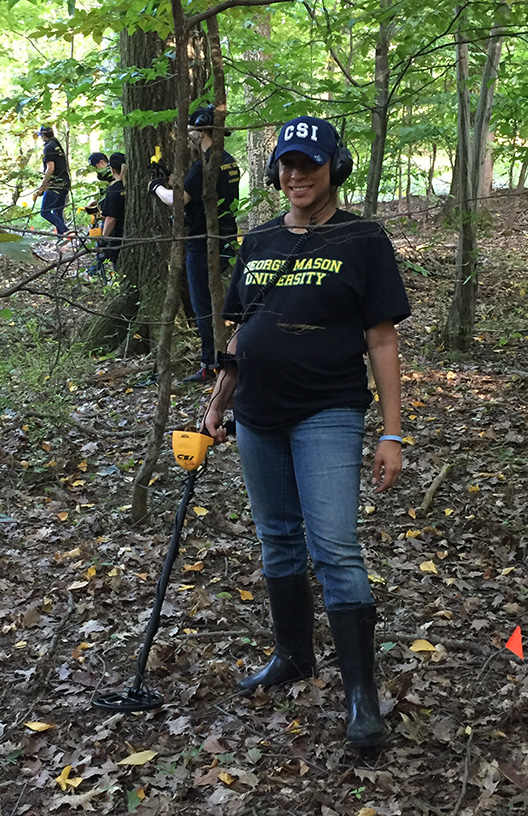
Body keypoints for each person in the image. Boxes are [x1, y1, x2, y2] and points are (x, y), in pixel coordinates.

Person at [205, 116, 411, 749]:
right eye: (288, 165)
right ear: (276, 172)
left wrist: (392, 432)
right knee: (277, 539)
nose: (298, 175)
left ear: (334, 168)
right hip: (258, 414)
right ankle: (293, 654)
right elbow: (243, 333)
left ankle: (361, 697)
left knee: (336, 547)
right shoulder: (261, 239)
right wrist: (217, 403)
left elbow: (381, 338)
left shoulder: (362, 238)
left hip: (328, 410)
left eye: (311, 165)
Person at [149, 105, 240, 383]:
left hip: (202, 244)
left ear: (201, 131)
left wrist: (156, 186)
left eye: (190, 131)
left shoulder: (203, 166)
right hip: (226, 239)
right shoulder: (229, 160)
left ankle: (210, 364)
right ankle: (224, 356)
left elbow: (178, 201)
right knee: (218, 302)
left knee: (204, 306)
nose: (187, 136)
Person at [34, 126, 71, 235]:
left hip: (56, 184)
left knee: (45, 212)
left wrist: (42, 187)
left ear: (43, 136)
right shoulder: (57, 145)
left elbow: (50, 168)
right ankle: (62, 238)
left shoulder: (49, 147)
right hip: (65, 183)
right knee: (57, 211)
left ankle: (65, 231)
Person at [99, 152, 126, 269]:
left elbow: (111, 219)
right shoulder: (133, 186)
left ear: (112, 170)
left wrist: (103, 239)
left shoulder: (113, 190)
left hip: (118, 237)